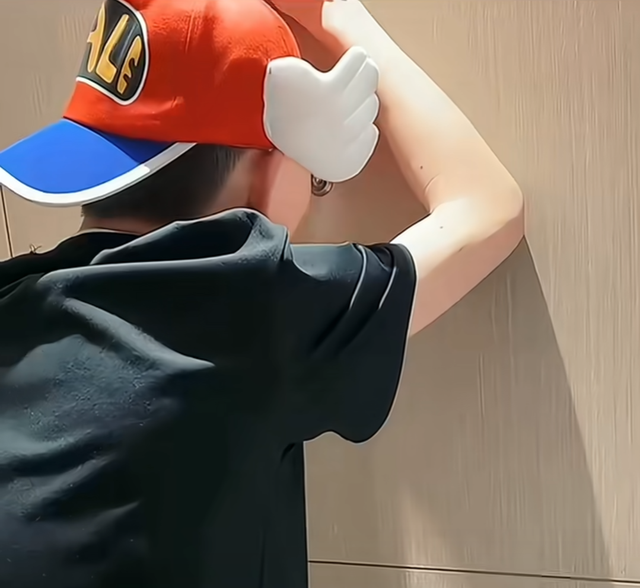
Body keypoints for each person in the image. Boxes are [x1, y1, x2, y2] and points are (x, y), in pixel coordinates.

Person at [0, 0, 523, 587]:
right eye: (316, 180)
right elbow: (487, 208)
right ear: (270, 173)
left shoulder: (11, 298)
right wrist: (333, 13)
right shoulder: (248, 301)